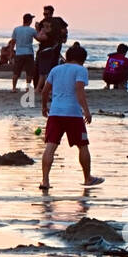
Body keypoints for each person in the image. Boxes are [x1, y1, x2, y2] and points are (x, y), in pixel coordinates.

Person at [40, 42, 101, 192]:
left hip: (55, 113)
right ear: (82, 59)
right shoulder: (80, 70)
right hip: (73, 113)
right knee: (82, 145)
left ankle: (45, 180)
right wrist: (86, 110)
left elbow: (44, 91)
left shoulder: (56, 69)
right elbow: (79, 90)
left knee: (50, 146)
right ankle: (87, 178)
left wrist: (44, 107)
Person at [34, 5, 68, 91]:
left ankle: (43, 87)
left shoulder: (57, 21)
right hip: (48, 47)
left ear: (51, 13)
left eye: (47, 13)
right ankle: (44, 87)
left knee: (45, 69)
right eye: (44, 13)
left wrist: (37, 30)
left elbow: (64, 30)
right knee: (45, 68)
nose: (45, 15)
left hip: (50, 49)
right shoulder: (45, 21)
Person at [11, 13, 38, 91]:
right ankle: (28, 87)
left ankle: (14, 88)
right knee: (29, 72)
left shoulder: (16, 29)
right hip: (29, 52)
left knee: (16, 71)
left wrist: (11, 52)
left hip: (19, 53)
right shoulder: (32, 30)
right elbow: (38, 38)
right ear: (30, 21)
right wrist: (38, 29)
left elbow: (13, 42)